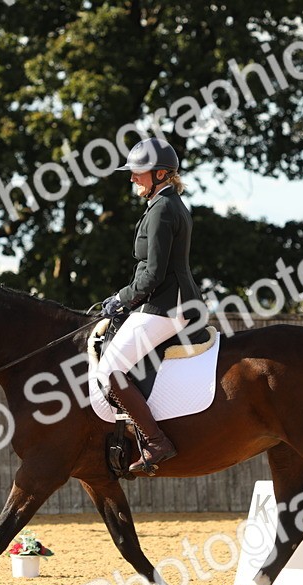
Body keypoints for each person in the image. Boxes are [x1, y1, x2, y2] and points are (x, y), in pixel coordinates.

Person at [96, 137, 202, 473]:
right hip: (167, 300)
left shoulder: (162, 209)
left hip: (167, 305)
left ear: (159, 174)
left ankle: (156, 441)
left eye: (137, 172)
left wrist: (121, 299)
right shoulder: (165, 204)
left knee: (110, 369)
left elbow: (153, 273)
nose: (131, 178)